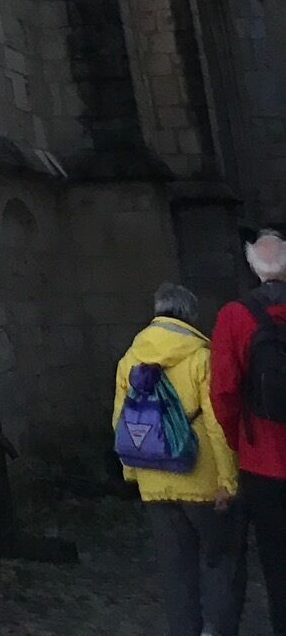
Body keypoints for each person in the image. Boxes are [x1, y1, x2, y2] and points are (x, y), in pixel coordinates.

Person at [112, 281, 242, 636]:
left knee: (175, 570)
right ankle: (217, 630)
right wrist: (228, 480)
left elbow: (121, 422)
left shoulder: (130, 358)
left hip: (153, 480)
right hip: (201, 479)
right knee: (219, 560)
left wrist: (131, 472)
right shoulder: (201, 357)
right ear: (190, 315)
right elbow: (216, 424)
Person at [213, 228, 286, 635]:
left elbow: (223, 392)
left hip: (263, 461)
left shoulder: (234, 316)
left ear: (253, 268)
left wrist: (237, 441)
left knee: (277, 563)